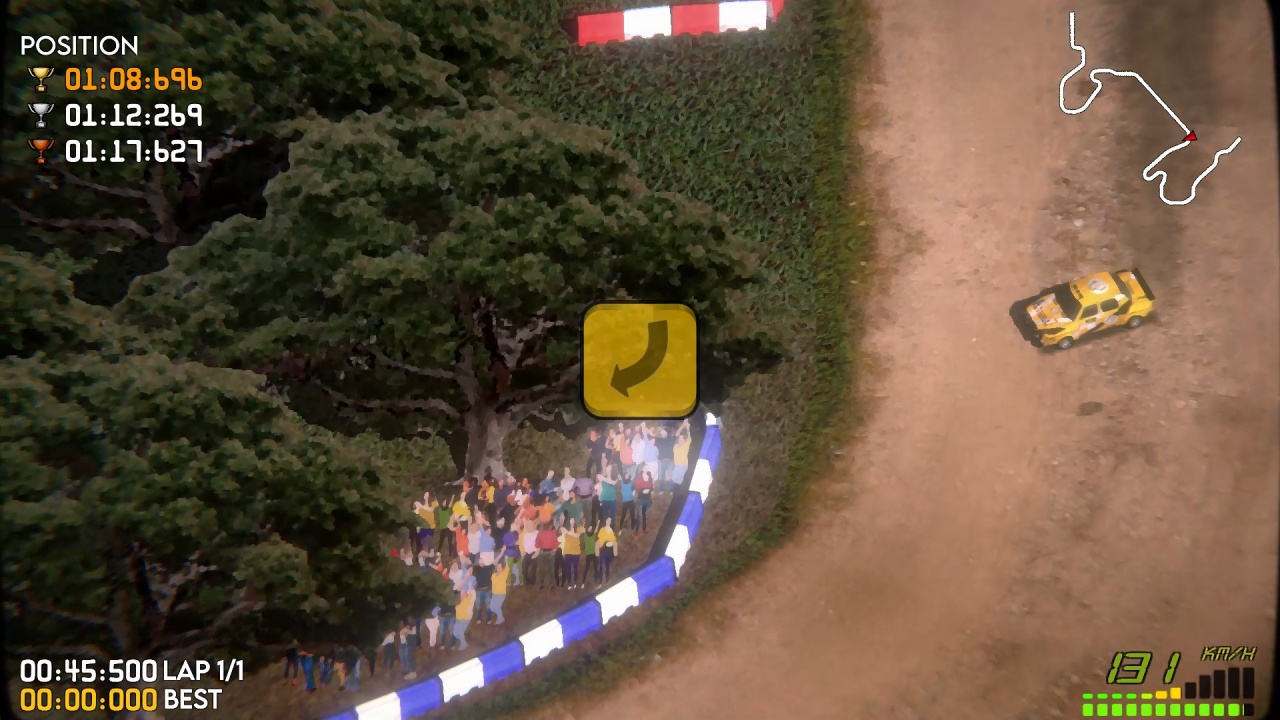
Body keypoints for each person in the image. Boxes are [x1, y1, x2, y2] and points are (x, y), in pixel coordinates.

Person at [535, 522, 559, 589]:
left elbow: (556, 544)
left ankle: (551, 584)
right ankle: (543, 583)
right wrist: (553, 551)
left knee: (549, 569)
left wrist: (553, 552)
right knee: (543, 569)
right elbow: (537, 544)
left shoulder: (551, 533)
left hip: (547, 552)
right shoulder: (541, 533)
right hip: (543, 552)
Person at [561, 518, 583, 588]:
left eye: (573, 520)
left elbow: (577, 535)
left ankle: (575, 582)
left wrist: (567, 532)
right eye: (570, 520)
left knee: (575, 568)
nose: (571, 521)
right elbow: (563, 538)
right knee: (568, 569)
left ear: (575, 521)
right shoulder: (565, 530)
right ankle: (569, 583)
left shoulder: (578, 529)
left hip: (576, 553)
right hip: (567, 553)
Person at [473, 558, 495, 624]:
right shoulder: (476, 568)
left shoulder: (488, 568)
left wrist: (502, 553)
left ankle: (489, 619)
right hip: (479, 591)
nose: (481, 563)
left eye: (482, 562)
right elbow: (469, 563)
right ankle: (479, 618)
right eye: (480, 562)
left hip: (488, 590)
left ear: (484, 562)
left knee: (489, 606)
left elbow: (495, 562)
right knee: (478, 606)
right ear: (478, 563)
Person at [489, 556, 511, 624]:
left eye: (500, 567)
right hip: (494, 594)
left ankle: (500, 619)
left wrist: (506, 560)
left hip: (501, 594)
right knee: (492, 607)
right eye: (497, 567)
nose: (498, 568)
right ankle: (500, 615)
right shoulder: (493, 575)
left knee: (497, 607)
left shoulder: (504, 574)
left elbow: (507, 567)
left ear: (502, 568)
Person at [597, 517, 618, 584]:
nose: (608, 522)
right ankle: (600, 581)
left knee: (607, 567)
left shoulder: (612, 532)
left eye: (609, 521)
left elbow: (614, 541)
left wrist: (611, 545)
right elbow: (599, 540)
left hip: (609, 552)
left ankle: (607, 580)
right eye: (607, 521)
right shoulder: (602, 530)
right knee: (601, 566)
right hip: (603, 550)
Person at [454, 585, 475, 650]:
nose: (462, 595)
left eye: (463, 594)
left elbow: (473, 592)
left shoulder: (468, 600)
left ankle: (464, 644)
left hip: (465, 619)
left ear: (466, 594)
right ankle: (465, 641)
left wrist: (470, 585)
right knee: (456, 633)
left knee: (460, 633)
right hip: (458, 619)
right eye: (461, 594)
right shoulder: (458, 602)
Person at [672, 419, 692, 489]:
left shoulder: (686, 445)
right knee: (674, 479)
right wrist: (683, 424)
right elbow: (677, 434)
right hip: (677, 466)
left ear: (684, 440)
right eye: (679, 438)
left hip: (684, 466)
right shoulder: (675, 446)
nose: (680, 440)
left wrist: (687, 426)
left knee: (682, 482)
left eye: (682, 439)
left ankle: (683, 491)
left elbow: (690, 435)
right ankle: (679, 490)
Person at [521, 518, 538, 585]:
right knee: (524, 569)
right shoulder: (525, 534)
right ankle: (529, 581)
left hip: (535, 553)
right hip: (527, 553)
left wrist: (537, 553)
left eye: (531, 524)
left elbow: (540, 544)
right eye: (528, 524)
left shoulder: (537, 533)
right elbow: (524, 544)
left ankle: (533, 582)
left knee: (533, 569)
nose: (530, 525)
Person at [581, 523, 599, 587]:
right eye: (589, 528)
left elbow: (596, 530)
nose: (590, 529)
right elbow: (583, 529)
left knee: (595, 567)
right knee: (587, 568)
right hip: (590, 554)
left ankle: (596, 581)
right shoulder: (586, 535)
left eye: (591, 529)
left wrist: (598, 524)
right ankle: (583, 582)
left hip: (593, 553)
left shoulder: (591, 535)